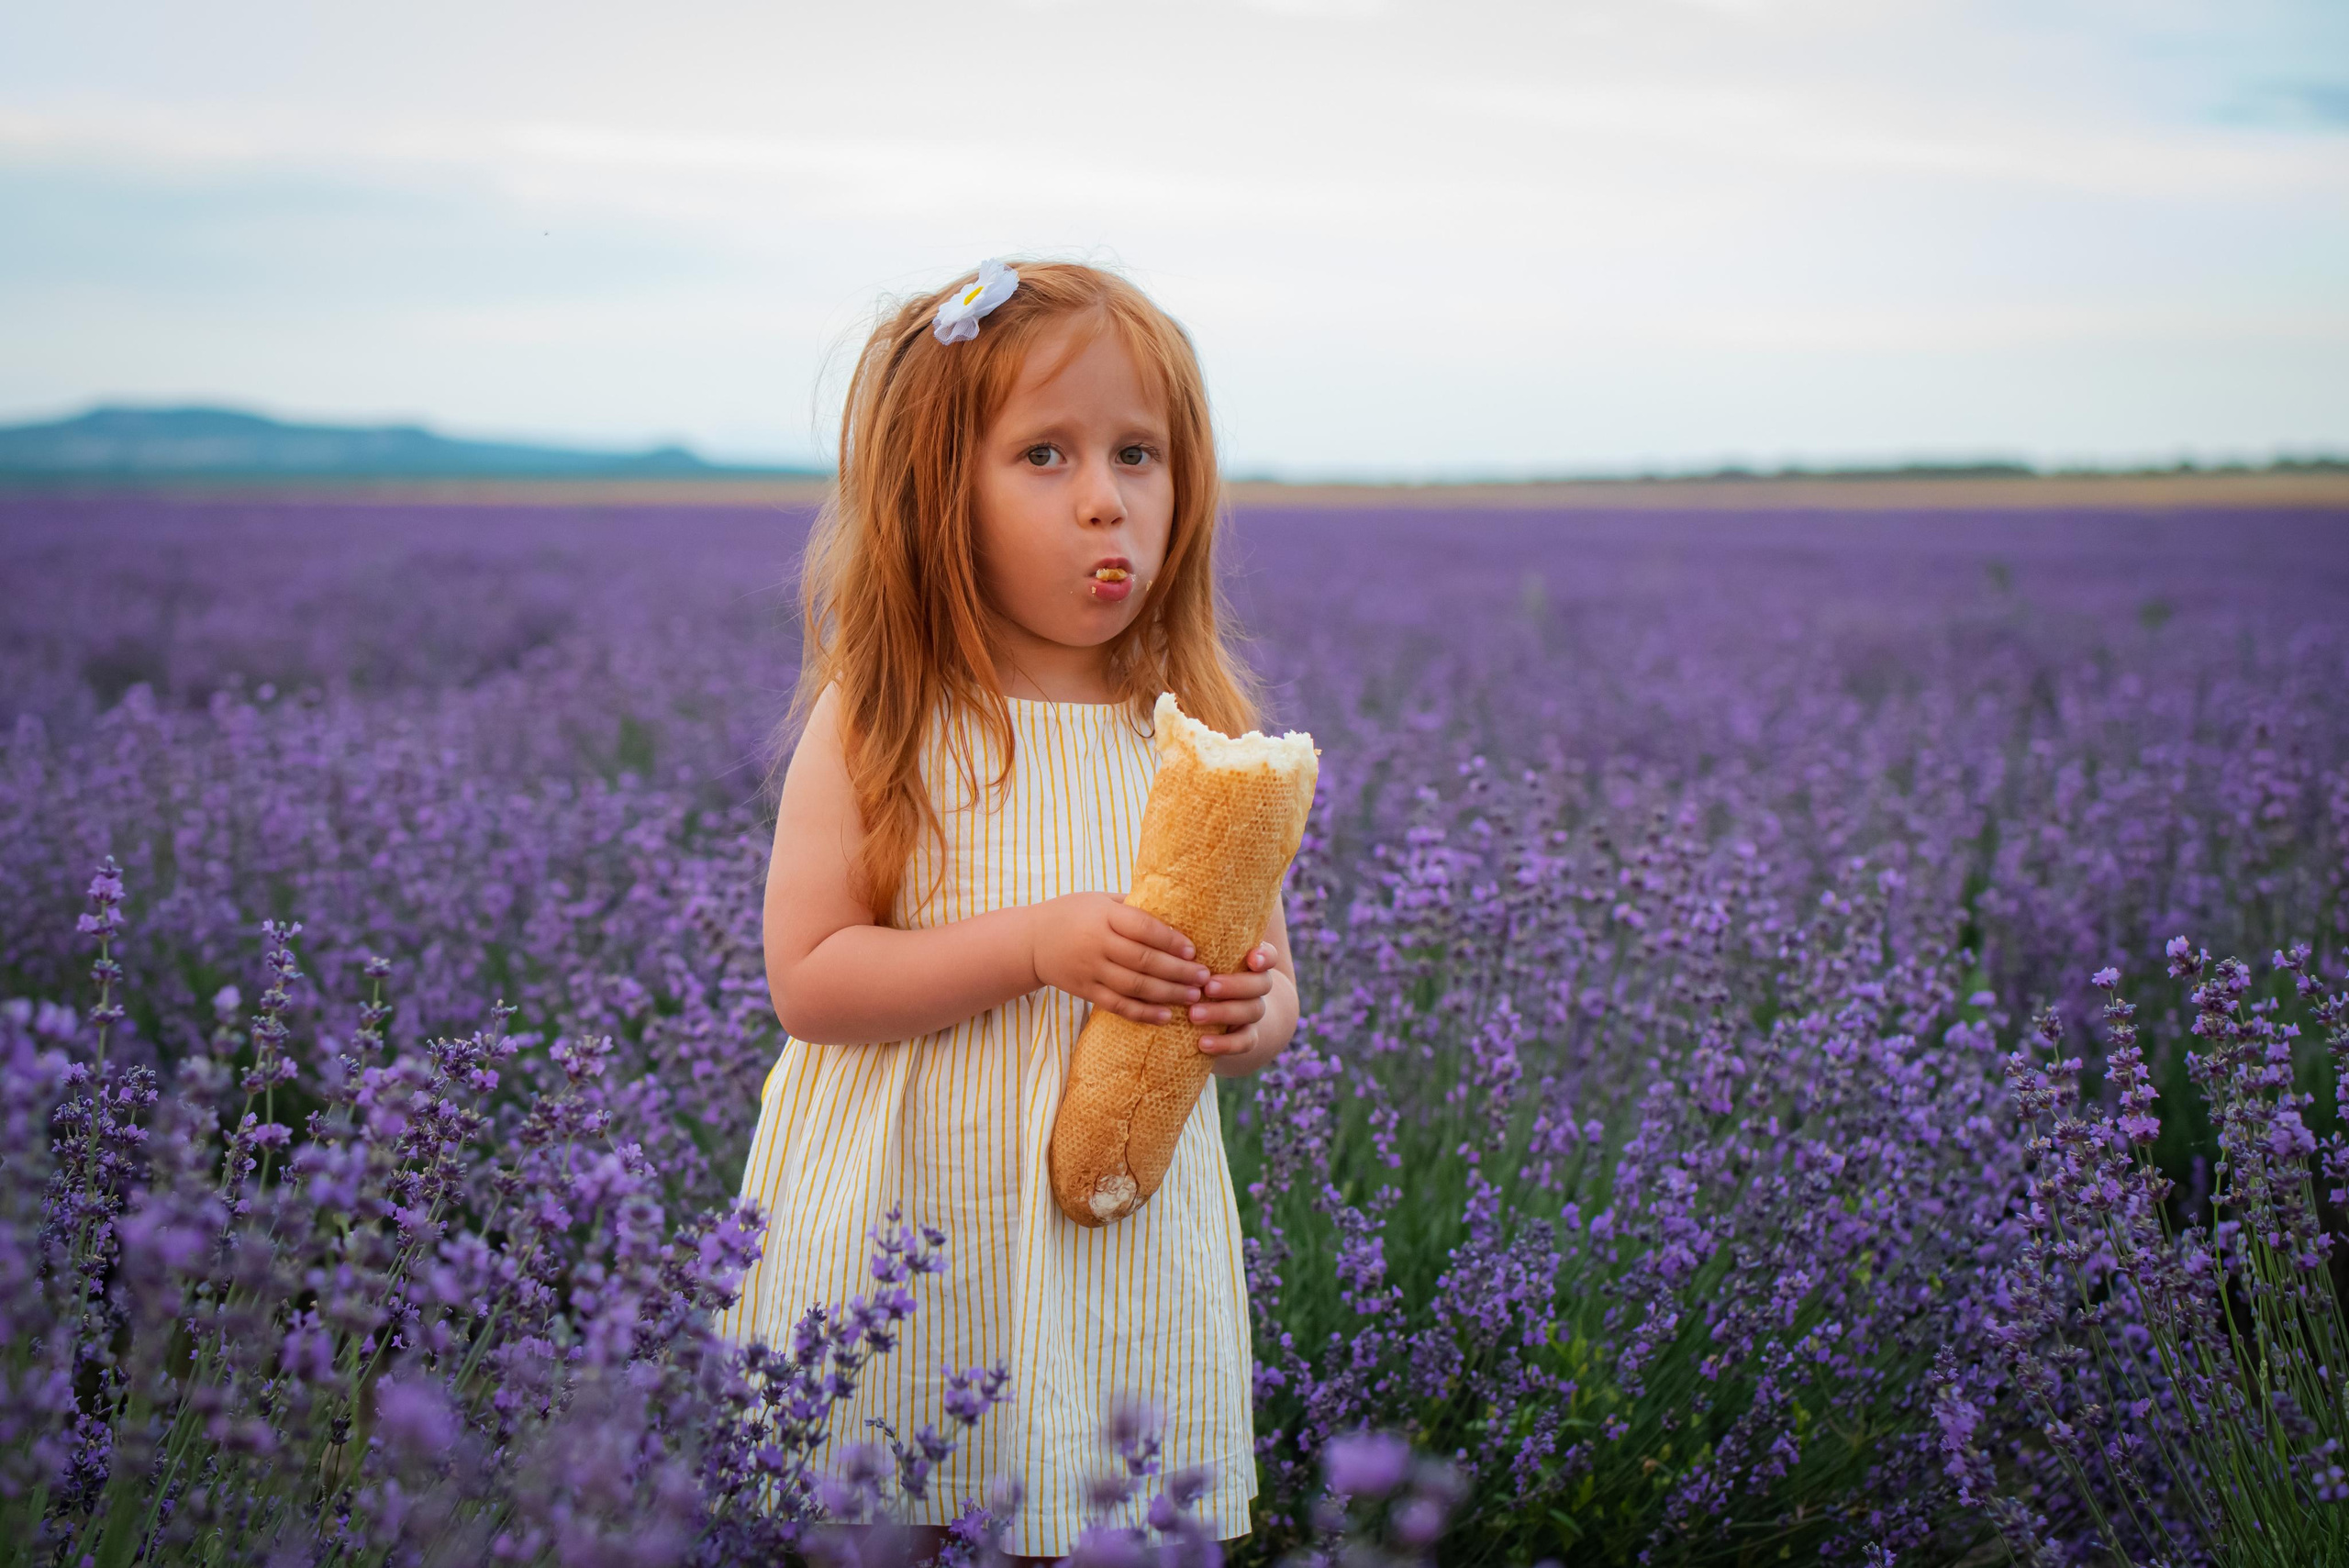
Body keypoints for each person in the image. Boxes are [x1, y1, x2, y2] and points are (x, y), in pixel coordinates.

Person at [717, 258, 1298, 1562]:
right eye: (1045, 454)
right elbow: (810, 975)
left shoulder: (1200, 739)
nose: (1107, 499)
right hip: (912, 1221)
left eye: (1138, 454)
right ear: (939, 495)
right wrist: (1037, 945)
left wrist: (1248, 1007)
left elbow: (1269, 989)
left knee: (1097, 1509)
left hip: (1115, 1233)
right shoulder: (886, 717)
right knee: (898, 1504)